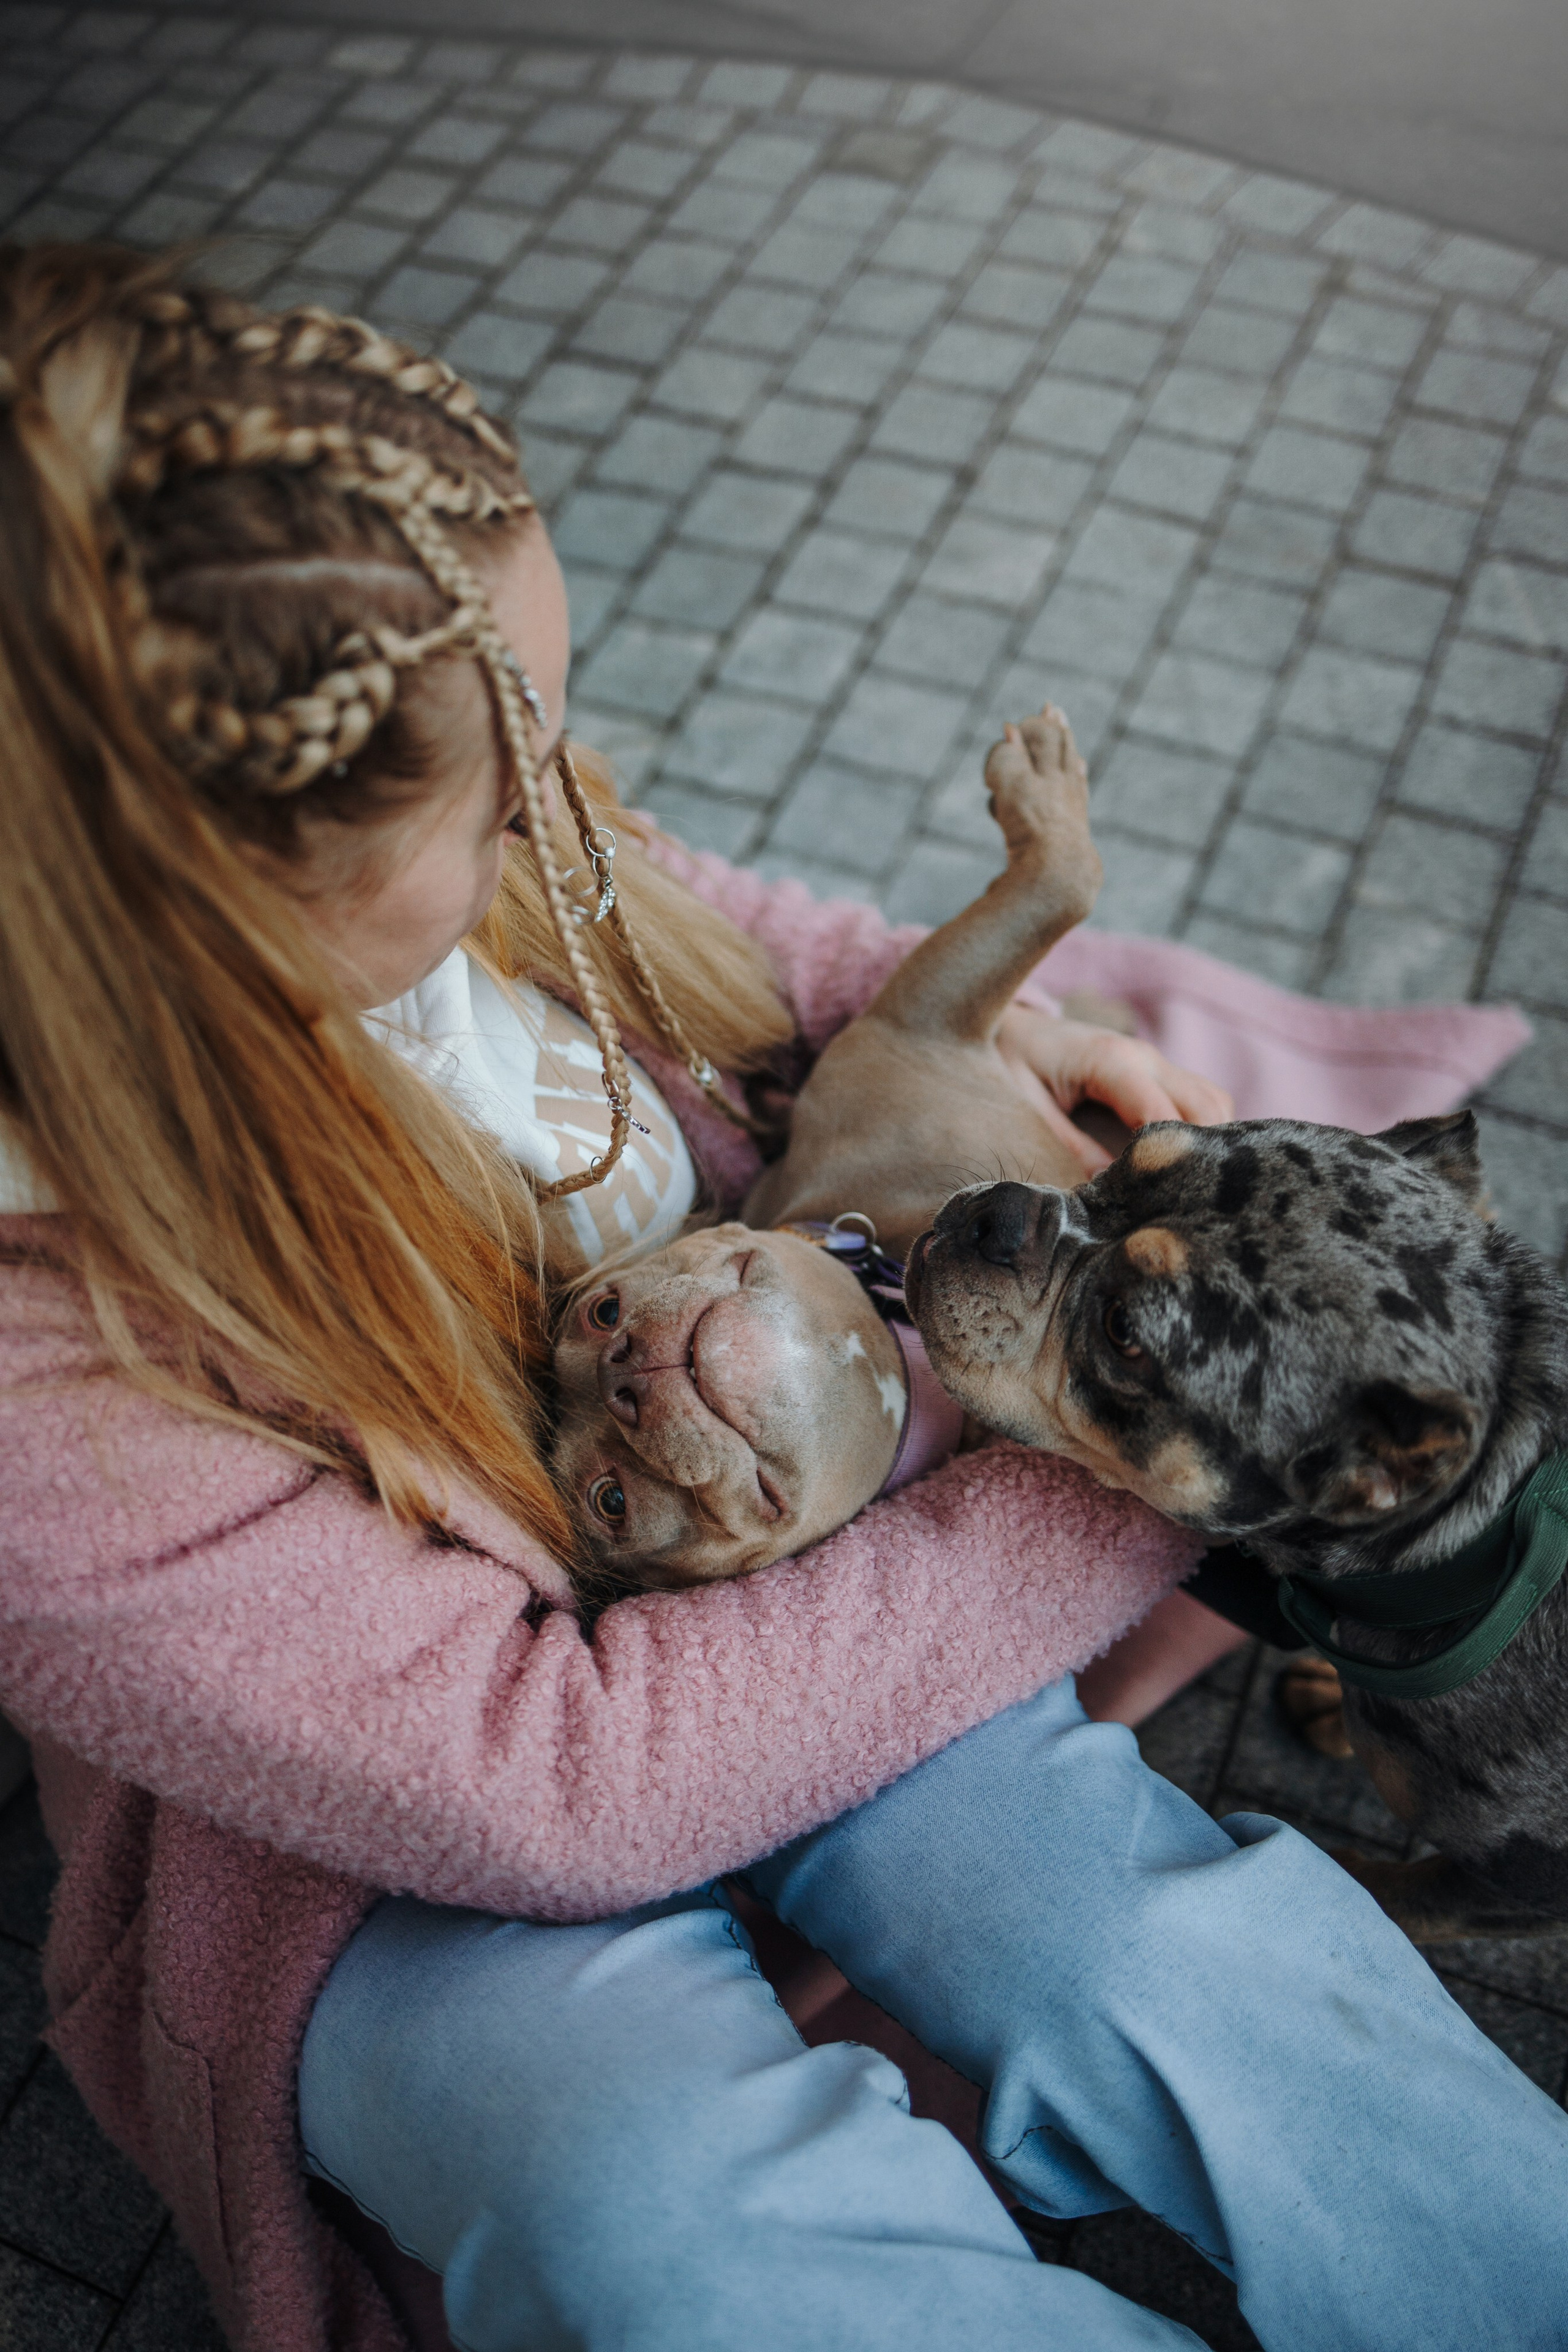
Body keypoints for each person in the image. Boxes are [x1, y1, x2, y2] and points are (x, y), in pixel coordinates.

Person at [1, 243, 1565, 2352]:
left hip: (800, 1574)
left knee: (1145, 1949)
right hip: (391, 1865)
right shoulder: (40, 1372)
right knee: (664, 2214)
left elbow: (655, 893)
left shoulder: (457, 811)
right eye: (524, 756)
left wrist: (934, 1013)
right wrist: (1128, 1440)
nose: (571, 784)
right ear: (219, 916)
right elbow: (554, 1784)